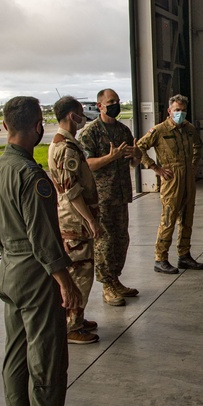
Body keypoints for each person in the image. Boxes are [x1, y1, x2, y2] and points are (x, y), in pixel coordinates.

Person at [0, 96, 91, 406]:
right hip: (36, 274)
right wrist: (66, 282)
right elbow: (44, 239)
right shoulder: (31, 176)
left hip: (9, 270)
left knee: (15, 354)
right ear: (35, 128)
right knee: (46, 356)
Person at [78, 88, 142, 305]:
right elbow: (87, 164)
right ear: (100, 106)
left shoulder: (124, 131)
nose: (115, 104)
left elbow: (133, 161)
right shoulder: (90, 133)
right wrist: (109, 157)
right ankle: (107, 286)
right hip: (102, 196)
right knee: (104, 242)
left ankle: (115, 280)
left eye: (118, 101)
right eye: (111, 101)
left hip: (121, 194)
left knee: (121, 239)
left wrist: (136, 156)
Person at [47, 96, 102, 345]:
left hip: (73, 219)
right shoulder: (66, 148)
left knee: (81, 270)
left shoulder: (66, 143)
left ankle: (77, 315)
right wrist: (90, 220)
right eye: (80, 113)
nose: (83, 118)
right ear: (71, 115)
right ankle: (72, 325)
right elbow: (72, 191)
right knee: (81, 273)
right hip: (75, 222)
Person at [136, 94, 203, 274]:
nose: (180, 113)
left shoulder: (189, 128)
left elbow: (198, 145)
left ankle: (184, 255)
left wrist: (194, 165)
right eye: (177, 110)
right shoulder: (159, 130)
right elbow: (139, 148)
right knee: (168, 219)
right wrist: (155, 168)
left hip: (188, 177)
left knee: (187, 217)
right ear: (169, 111)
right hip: (171, 178)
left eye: (183, 110)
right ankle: (161, 259)